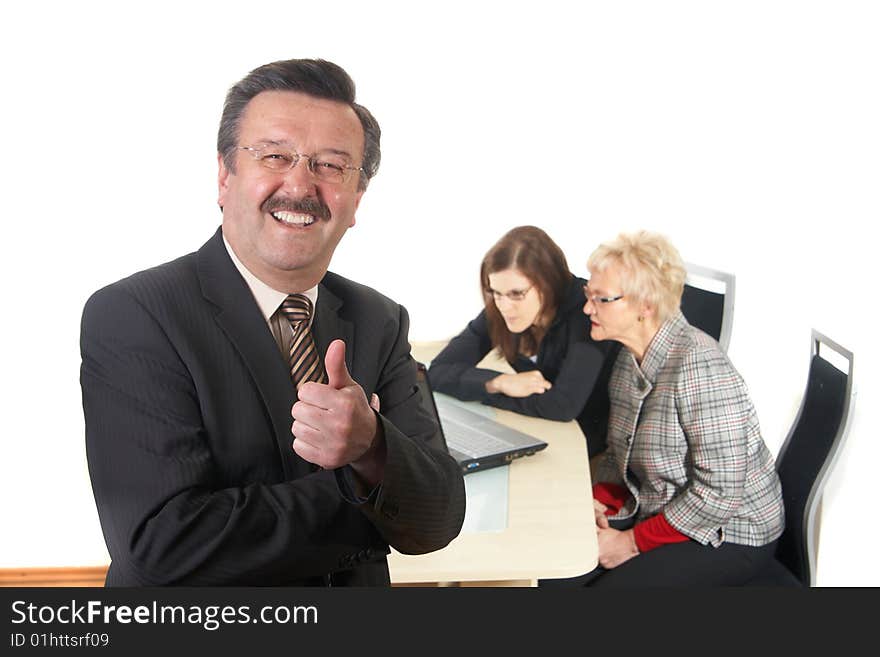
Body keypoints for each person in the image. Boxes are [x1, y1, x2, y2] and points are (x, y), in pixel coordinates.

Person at [80, 59, 465, 586]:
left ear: (356, 200)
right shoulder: (136, 314)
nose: (300, 185)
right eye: (275, 155)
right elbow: (163, 544)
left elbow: (439, 517)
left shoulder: (379, 320)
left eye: (332, 165)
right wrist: (369, 491)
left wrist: (372, 443)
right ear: (224, 175)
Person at [542, 230, 784, 587]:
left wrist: (629, 542)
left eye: (602, 299)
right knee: (552, 576)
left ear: (646, 306)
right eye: (588, 295)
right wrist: (596, 501)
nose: (587, 308)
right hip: (660, 508)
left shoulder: (701, 368)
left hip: (731, 531)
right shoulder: (628, 358)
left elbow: (719, 495)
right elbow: (619, 454)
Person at [428, 226, 619, 457]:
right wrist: (499, 383)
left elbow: (562, 405)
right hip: (536, 430)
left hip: (587, 446)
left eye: (516, 294)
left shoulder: (587, 311)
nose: (504, 306)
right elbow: (437, 372)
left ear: (547, 283)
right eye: (495, 292)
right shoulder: (501, 306)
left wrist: (481, 391)